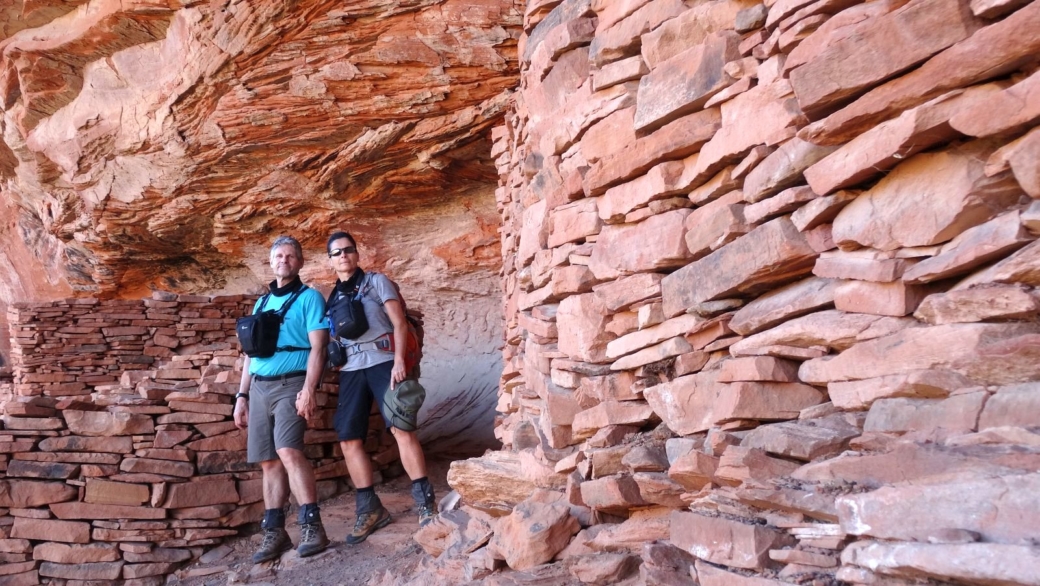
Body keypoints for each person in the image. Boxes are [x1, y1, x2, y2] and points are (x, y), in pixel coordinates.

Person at [325, 231, 436, 544]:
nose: (343, 256)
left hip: (383, 361)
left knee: (401, 428)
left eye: (348, 250)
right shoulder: (332, 296)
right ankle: (370, 509)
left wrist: (399, 360)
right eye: (336, 253)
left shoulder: (376, 282)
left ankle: (426, 503)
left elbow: (399, 322)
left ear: (357, 254)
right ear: (330, 260)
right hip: (350, 369)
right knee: (348, 437)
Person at [234, 236, 330, 563]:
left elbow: (319, 347)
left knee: (288, 450)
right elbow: (250, 355)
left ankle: (312, 525)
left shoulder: (310, 299)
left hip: (292, 383)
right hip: (260, 385)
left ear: (300, 262)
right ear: (271, 262)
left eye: (290, 256)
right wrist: (242, 395)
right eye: (279, 256)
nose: (284, 261)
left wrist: (310, 388)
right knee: (268, 460)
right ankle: (275, 532)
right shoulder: (261, 304)